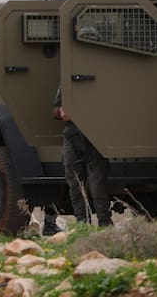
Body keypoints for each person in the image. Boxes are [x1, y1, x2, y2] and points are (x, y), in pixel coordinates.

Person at [52, 84, 112, 227]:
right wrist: (61, 112)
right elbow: (55, 109)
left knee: (97, 185)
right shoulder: (67, 81)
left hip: (96, 137)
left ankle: (105, 223)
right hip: (72, 137)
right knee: (75, 183)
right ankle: (82, 224)